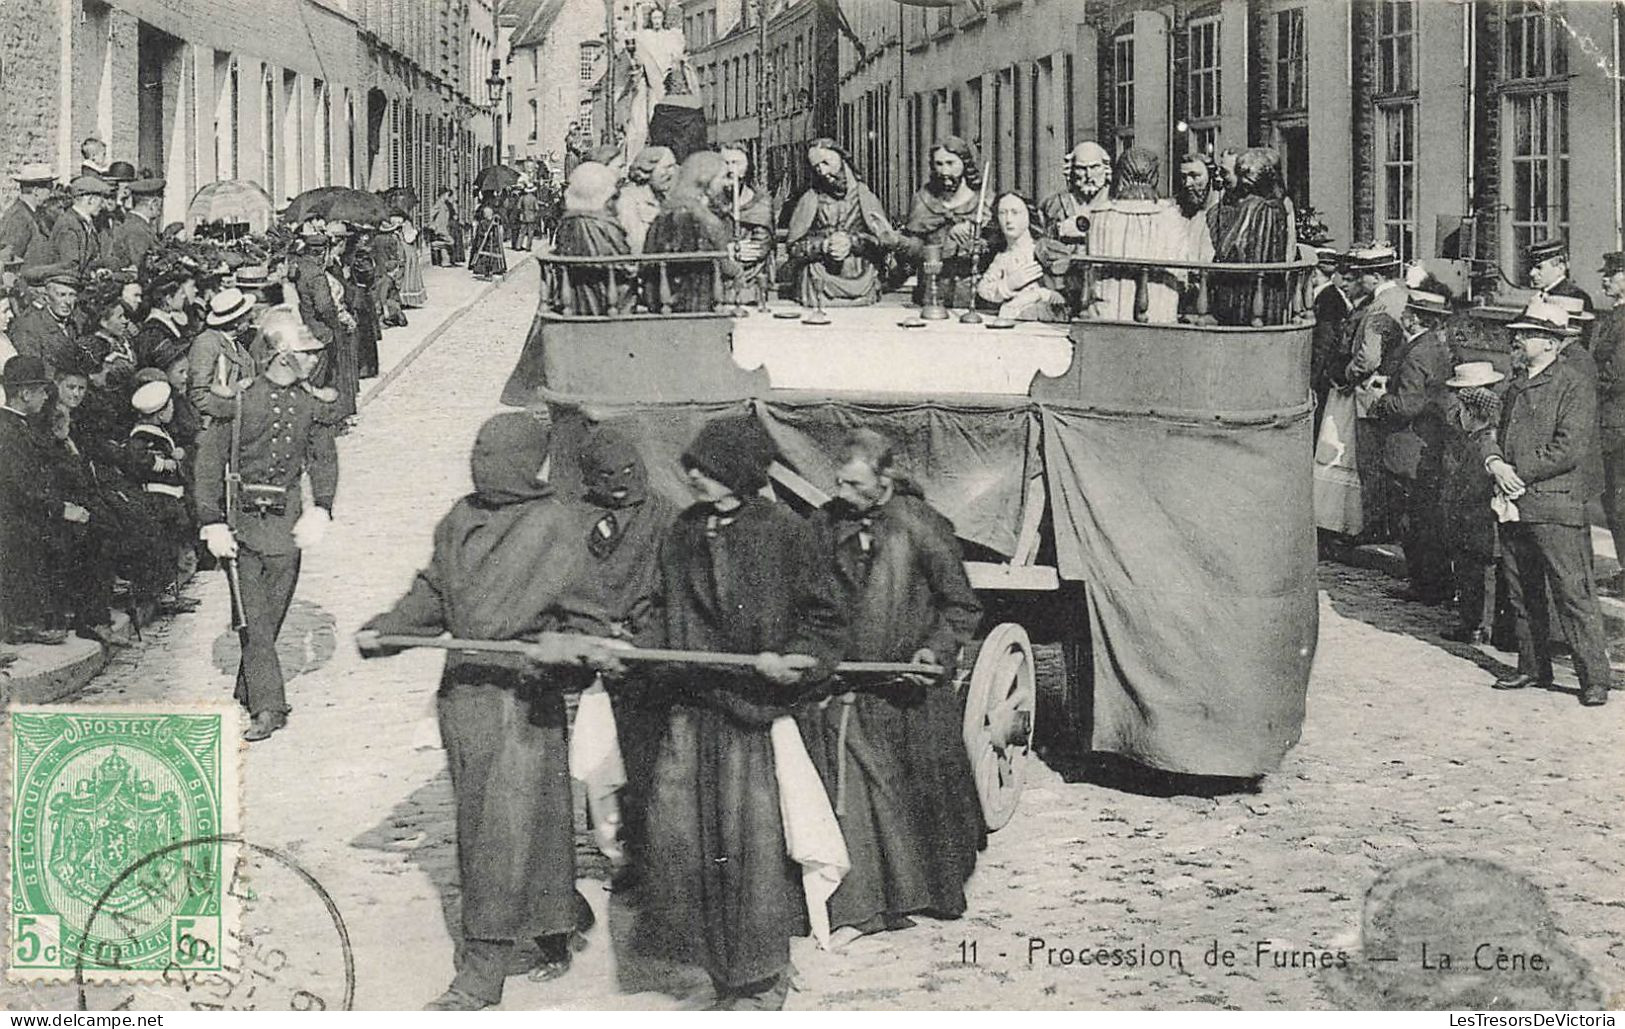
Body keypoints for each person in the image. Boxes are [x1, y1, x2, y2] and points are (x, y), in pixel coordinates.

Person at [358, 413, 602, 1010]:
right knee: (518, 826)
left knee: (498, 835)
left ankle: (481, 973)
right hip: (464, 696)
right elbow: (433, 592)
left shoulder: (556, 526)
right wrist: (392, 629)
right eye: (477, 453)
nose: (480, 466)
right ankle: (558, 922)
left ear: (526, 464)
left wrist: (564, 653)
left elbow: (590, 627)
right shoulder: (460, 519)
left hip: (523, 702)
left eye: (494, 457)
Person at [635, 414, 848, 1011]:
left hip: (751, 715)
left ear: (737, 472)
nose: (694, 476)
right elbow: (656, 603)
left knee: (753, 850)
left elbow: (825, 619)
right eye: (693, 468)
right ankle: (721, 972)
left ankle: (763, 977)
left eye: (706, 468)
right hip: (690, 708)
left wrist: (800, 658)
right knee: (689, 847)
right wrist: (637, 645)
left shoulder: (786, 531)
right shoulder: (682, 530)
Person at [800, 429, 983, 944]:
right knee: (857, 799)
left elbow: (960, 606)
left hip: (910, 694)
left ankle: (926, 890)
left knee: (920, 796)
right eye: (837, 481)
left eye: (854, 483)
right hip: (848, 686)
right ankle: (865, 908)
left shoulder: (922, 527)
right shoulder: (822, 526)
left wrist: (934, 652)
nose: (842, 492)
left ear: (883, 480)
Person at [194, 308, 341, 740]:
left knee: (269, 618)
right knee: (254, 621)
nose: (314, 360)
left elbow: (323, 458)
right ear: (281, 354)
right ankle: (269, 707)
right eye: (306, 353)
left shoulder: (310, 405)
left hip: (286, 525)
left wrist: (322, 507)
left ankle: (249, 684)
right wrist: (212, 520)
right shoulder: (238, 402)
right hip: (241, 526)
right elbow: (208, 465)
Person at [1367, 290, 1456, 604]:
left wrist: (1380, 399)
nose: (1402, 315)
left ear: (1413, 317)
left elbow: (1407, 404)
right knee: (1426, 518)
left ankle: (1425, 586)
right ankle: (1435, 583)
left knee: (1412, 519)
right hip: (1426, 442)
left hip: (1409, 445)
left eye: (1407, 311)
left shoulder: (1418, 352)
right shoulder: (1434, 345)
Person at [0, 355, 75, 644]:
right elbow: (22, 488)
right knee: (37, 541)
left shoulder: (20, 425)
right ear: (25, 393)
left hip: (25, 511)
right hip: (13, 518)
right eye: (42, 390)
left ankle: (43, 613)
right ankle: (25, 622)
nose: (47, 397)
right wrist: (60, 509)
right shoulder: (8, 431)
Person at [1339, 242, 1409, 544]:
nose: (1359, 280)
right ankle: (1390, 525)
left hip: (1372, 390)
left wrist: (1348, 373)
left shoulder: (1381, 304)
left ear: (1376, 276)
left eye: (1363, 275)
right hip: (1396, 386)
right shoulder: (1403, 296)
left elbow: (1369, 356)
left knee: (1371, 460)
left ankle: (1376, 525)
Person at [1084, 147, 1193, 325]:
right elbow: (1181, 272)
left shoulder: (1099, 216)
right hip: (1158, 312)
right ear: (1154, 176)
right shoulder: (1171, 217)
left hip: (1108, 311)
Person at [785, 139, 897, 308]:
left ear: (841, 159)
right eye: (816, 167)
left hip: (861, 280)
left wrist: (852, 242)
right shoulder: (810, 198)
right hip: (819, 280)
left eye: (826, 163)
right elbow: (794, 247)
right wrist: (823, 246)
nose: (822, 171)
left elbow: (883, 243)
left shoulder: (864, 195)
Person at [1438, 361, 1505, 644]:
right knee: (1478, 570)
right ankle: (1482, 623)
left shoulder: (1480, 436)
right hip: (1476, 513)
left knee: (1473, 569)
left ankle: (1476, 624)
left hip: (1474, 513)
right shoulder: (1489, 424)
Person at [641, 151, 740, 313]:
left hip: (666, 303)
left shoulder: (667, 210)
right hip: (695, 302)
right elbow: (722, 265)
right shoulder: (702, 219)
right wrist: (737, 270)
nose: (726, 183)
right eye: (722, 177)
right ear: (706, 180)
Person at [898, 137, 985, 309]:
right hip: (931, 292)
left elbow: (994, 243)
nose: (944, 171)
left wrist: (975, 232)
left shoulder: (983, 200)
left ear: (965, 163)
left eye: (950, 163)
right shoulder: (923, 199)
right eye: (939, 164)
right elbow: (913, 249)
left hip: (972, 294)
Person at [1210, 148, 1293, 326]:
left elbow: (1229, 248)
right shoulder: (1277, 206)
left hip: (1245, 290)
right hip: (1270, 290)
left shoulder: (1252, 205)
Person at [551, 163, 634, 315]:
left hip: (573, 298)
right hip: (606, 300)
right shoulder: (604, 224)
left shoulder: (567, 221)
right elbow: (625, 265)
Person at [975, 192, 1066, 321]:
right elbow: (983, 289)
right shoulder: (1004, 256)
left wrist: (1038, 294)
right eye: (1002, 213)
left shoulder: (1044, 250)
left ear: (1028, 216)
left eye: (1015, 212)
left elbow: (1062, 294)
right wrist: (1010, 284)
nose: (1008, 220)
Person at [1595, 251, 1625, 594]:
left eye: (1614, 274)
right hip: (1612, 422)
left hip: (1618, 424)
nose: (1606, 279)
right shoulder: (1614, 316)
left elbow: (1617, 375)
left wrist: (1588, 383)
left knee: (1619, 501)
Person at [187, 287, 257, 427]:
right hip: (216, 427)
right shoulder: (206, 343)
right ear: (236, 321)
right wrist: (236, 409)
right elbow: (199, 395)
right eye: (247, 315)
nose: (252, 317)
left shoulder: (234, 342)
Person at [31, 175, 113, 281]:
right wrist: (92, 274)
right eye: (101, 200)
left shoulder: (83, 222)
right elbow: (69, 267)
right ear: (91, 199)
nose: (102, 206)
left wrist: (99, 271)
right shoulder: (69, 225)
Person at [718, 145, 774, 299]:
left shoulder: (760, 202)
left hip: (750, 277)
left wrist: (732, 256)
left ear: (747, 168)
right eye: (725, 163)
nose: (730, 170)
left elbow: (758, 248)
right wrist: (725, 251)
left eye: (736, 163)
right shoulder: (709, 201)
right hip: (716, 276)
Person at [1310, 247, 1354, 435]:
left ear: (1313, 272)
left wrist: (1311, 380)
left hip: (1323, 373)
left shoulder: (1328, 299)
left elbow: (1323, 344)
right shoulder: (1330, 295)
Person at [1039, 141, 1112, 252]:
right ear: (1071, 170)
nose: (1089, 175)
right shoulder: (1054, 204)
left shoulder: (1116, 201)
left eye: (1095, 167)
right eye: (1081, 168)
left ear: (1105, 168)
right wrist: (1059, 231)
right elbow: (1039, 243)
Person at [10, 267, 80, 371]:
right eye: (62, 295)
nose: (68, 302)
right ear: (47, 297)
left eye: (72, 295)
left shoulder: (71, 324)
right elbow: (32, 371)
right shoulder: (29, 326)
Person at [617, 146, 678, 253]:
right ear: (647, 170)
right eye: (667, 167)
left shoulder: (664, 199)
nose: (671, 173)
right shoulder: (628, 200)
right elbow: (634, 242)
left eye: (673, 167)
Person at [0, 164, 57, 272]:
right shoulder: (18, 218)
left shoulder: (35, 213)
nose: (51, 194)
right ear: (36, 191)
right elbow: (9, 262)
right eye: (49, 188)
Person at [104, 178, 163, 272]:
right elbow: (139, 268)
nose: (160, 209)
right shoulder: (137, 230)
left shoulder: (135, 223)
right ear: (153, 203)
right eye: (159, 204)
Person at [468, 205, 507, 280]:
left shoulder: (494, 222)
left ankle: (494, 269)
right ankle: (484, 270)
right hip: (485, 243)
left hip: (491, 242)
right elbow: (480, 233)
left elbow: (497, 232)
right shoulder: (483, 223)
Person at [398, 215, 428, 309]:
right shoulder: (406, 223)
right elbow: (409, 238)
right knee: (410, 272)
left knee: (404, 273)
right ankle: (407, 299)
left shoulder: (397, 222)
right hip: (408, 250)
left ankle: (403, 298)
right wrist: (416, 231)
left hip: (402, 249)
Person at [428, 188, 460, 267]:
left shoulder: (444, 203)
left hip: (444, 227)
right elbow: (431, 213)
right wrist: (432, 224)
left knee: (445, 245)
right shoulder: (439, 203)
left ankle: (444, 261)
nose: (447, 196)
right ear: (443, 195)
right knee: (451, 241)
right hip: (440, 227)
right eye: (446, 194)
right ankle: (435, 245)